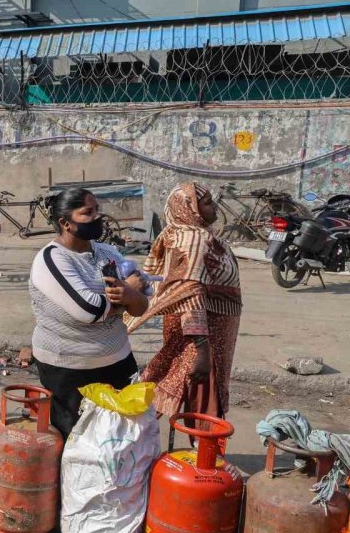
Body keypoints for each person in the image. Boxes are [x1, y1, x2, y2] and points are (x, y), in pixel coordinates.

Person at [27, 188, 149, 439]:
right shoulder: (52, 258)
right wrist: (126, 296)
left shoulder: (108, 253)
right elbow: (88, 310)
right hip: (70, 369)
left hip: (118, 361)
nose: (98, 217)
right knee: (77, 443)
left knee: (119, 439)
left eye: (97, 210)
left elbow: (140, 307)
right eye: (87, 212)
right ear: (65, 223)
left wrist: (132, 296)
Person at [126, 183, 242, 419]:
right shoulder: (193, 239)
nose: (214, 206)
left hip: (208, 330)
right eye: (207, 202)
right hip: (204, 333)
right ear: (190, 208)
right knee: (201, 397)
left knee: (173, 380)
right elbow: (190, 294)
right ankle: (201, 452)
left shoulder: (184, 233)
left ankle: (136, 438)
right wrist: (202, 349)